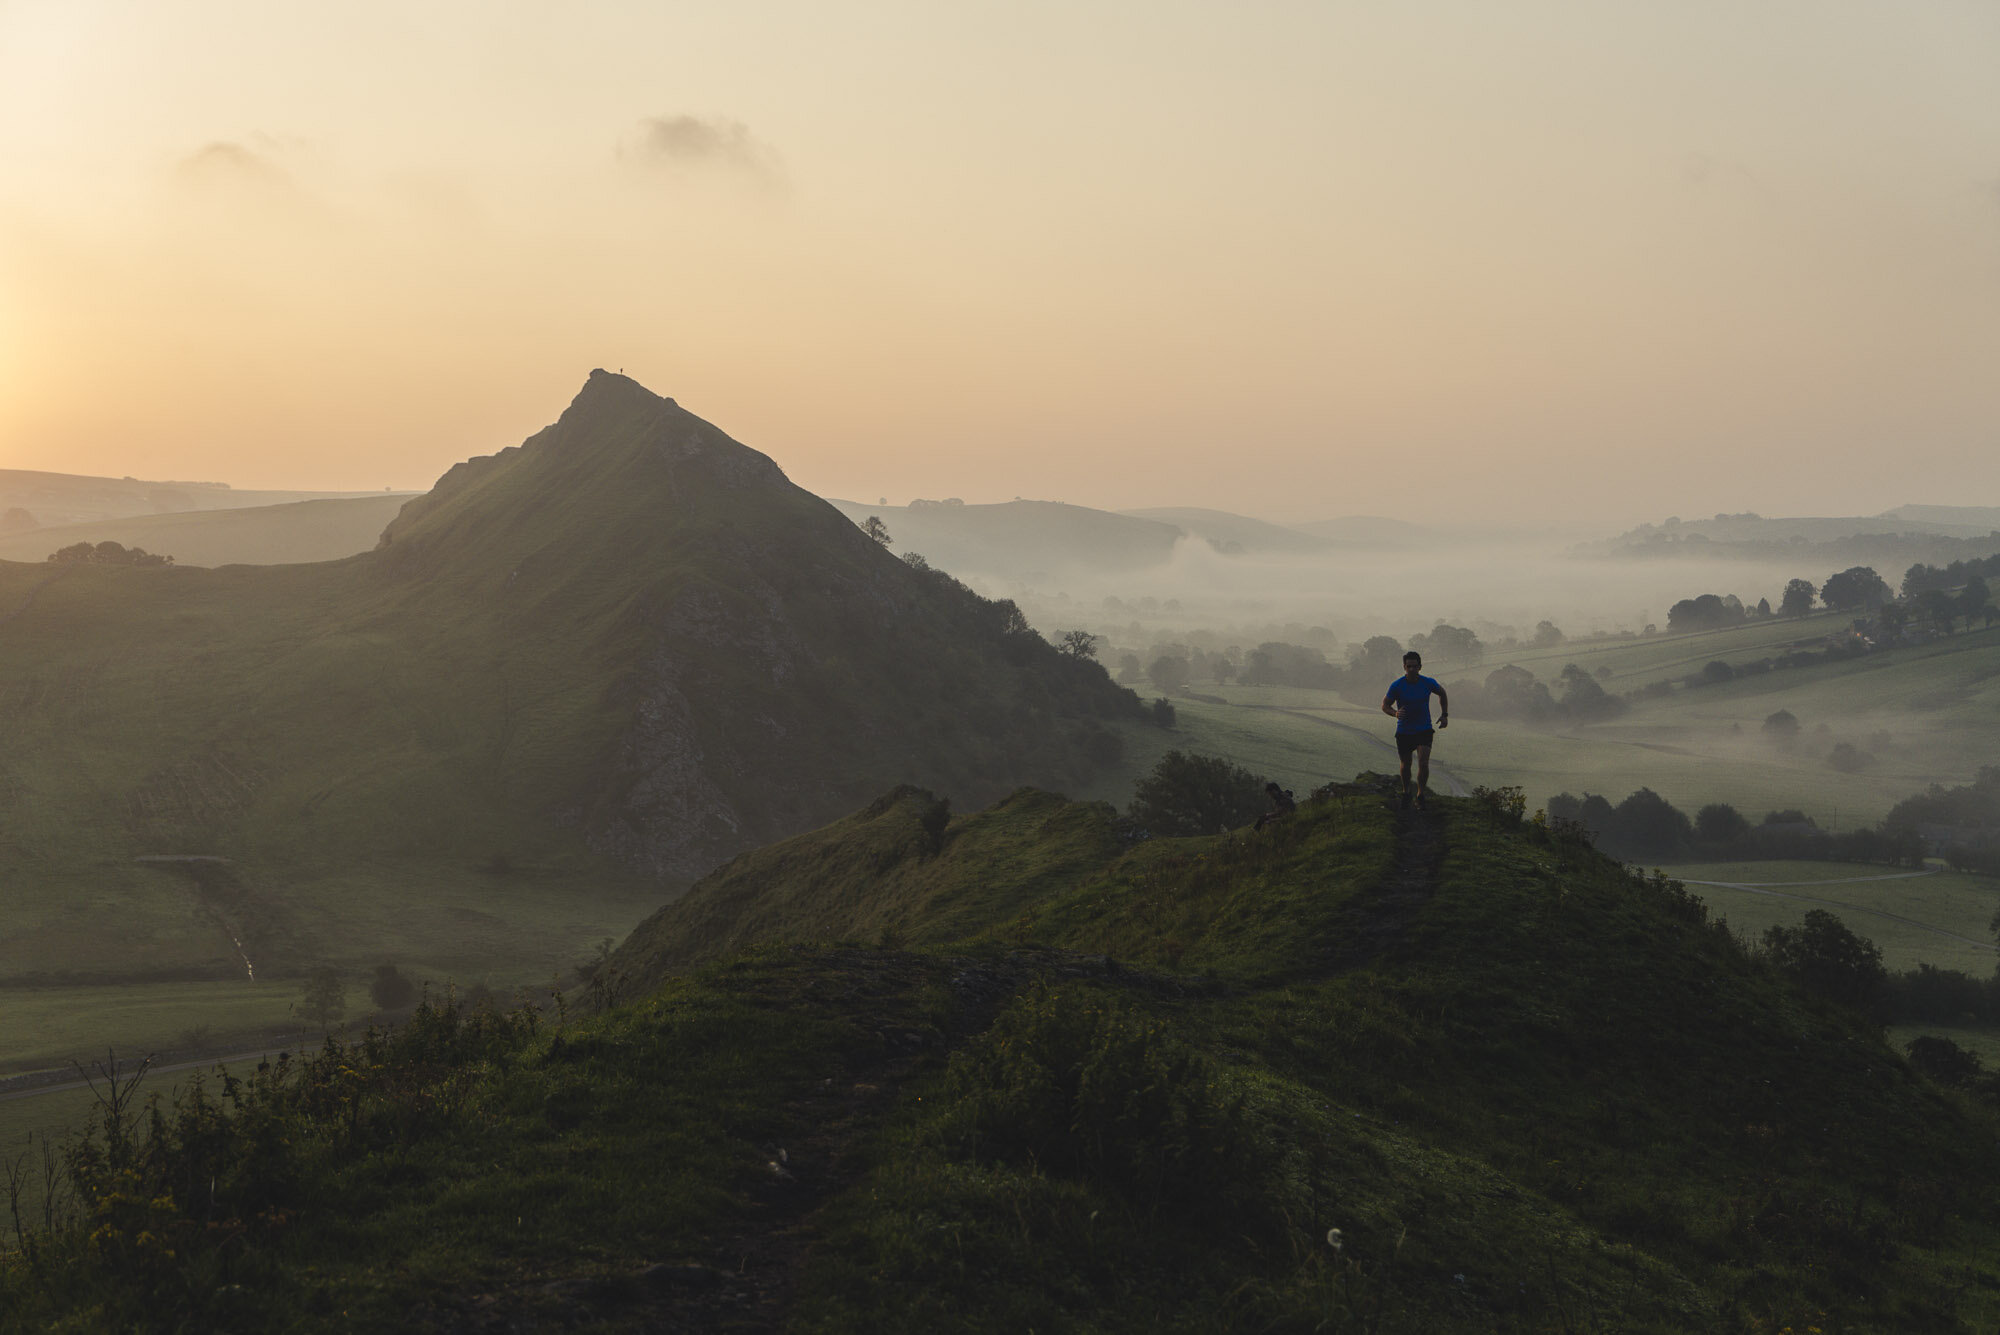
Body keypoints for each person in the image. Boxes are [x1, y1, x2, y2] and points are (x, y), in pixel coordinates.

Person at [1381, 650, 1448, 809]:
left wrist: (1444, 714)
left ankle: (1420, 794)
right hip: (1404, 730)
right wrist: (1395, 713)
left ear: (1420, 667)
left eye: (1414, 666)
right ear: (1404, 667)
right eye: (1408, 666)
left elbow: (1442, 693)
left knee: (1423, 763)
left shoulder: (1428, 682)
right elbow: (1385, 705)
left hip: (1424, 729)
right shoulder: (1397, 685)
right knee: (1406, 764)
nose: (1411, 669)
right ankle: (1406, 792)